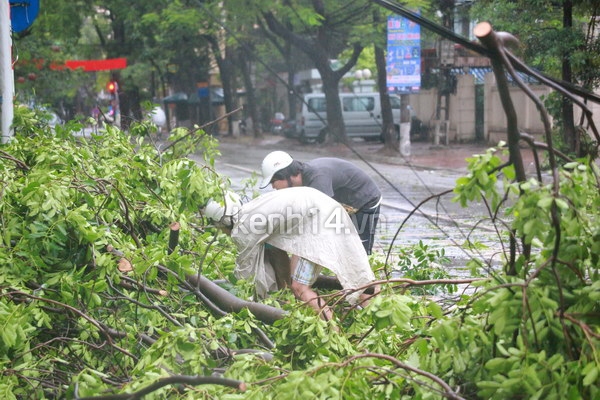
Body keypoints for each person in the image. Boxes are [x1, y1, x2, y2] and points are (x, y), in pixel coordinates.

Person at [203, 187, 377, 321]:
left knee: (300, 288)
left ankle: (334, 333)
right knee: (355, 275)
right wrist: (282, 292)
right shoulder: (253, 211)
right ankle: (375, 318)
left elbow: (245, 276)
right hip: (327, 209)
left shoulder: (244, 229)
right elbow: (276, 253)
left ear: (223, 221)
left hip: (317, 222)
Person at [259, 151, 382, 255]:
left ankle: (369, 281)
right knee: (342, 245)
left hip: (365, 200)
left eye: (273, 182)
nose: (273, 187)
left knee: (361, 250)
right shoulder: (302, 181)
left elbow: (320, 219)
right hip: (343, 204)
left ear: (286, 175)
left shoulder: (318, 179)